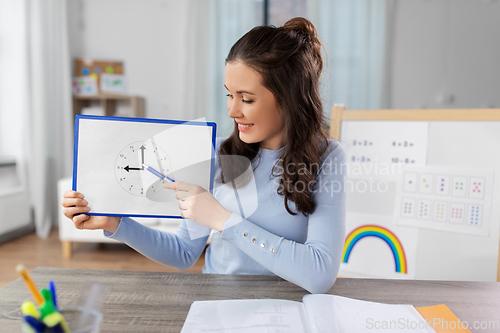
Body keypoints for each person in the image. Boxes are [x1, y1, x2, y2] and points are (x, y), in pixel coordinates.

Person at [62, 17, 346, 294]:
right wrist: (116, 224)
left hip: (289, 310)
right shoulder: (213, 152)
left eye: (246, 99)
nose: (232, 111)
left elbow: (319, 274)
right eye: (229, 95)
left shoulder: (329, 157)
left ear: (289, 98)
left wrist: (223, 219)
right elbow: (183, 252)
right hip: (218, 306)